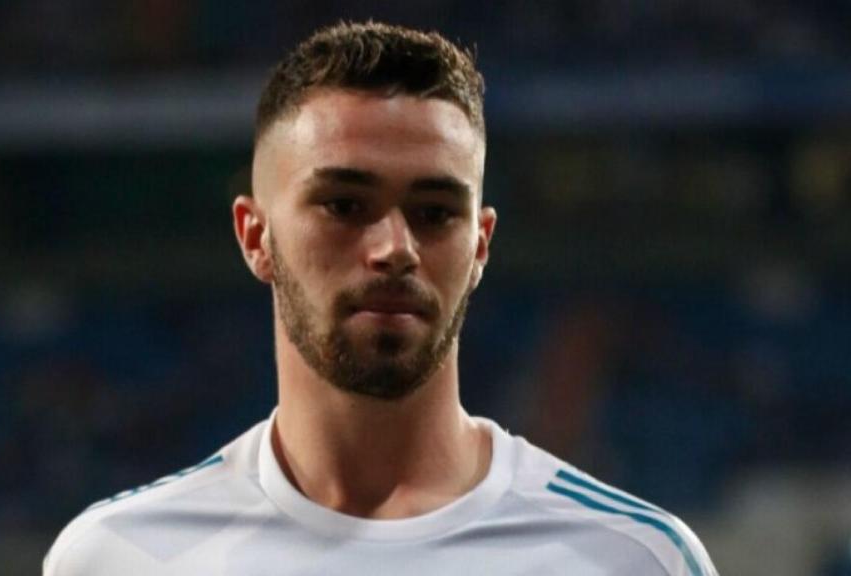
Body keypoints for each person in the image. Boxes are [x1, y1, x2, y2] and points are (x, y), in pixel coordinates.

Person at [44, 21, 719, 575]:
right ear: (255, 235)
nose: (394, 246)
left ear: (481, 245)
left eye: (434, 212)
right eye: (344, 204)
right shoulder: (116, 559)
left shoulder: (634, 559)